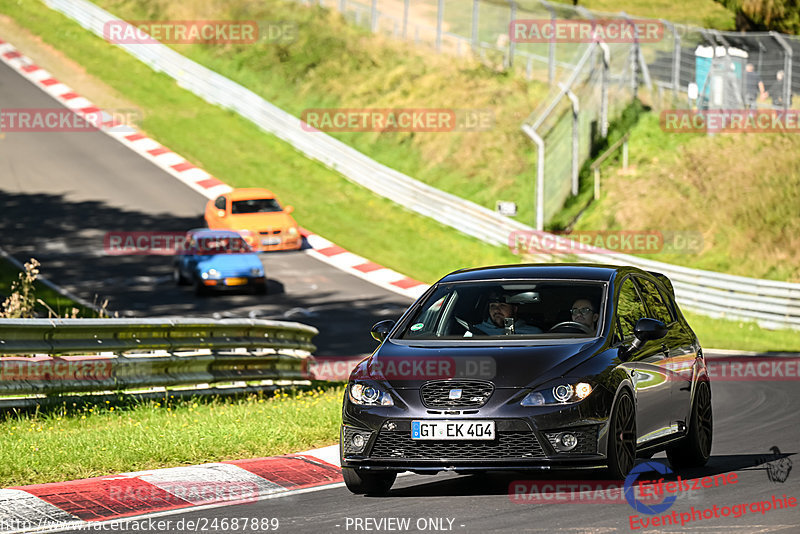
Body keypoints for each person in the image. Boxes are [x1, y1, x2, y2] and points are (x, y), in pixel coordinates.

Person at [469, 291, 542, 335]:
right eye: (493, 306)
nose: (496, 310)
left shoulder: (533, 333)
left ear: (514, 309)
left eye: (502, 305)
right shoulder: (475, 331)